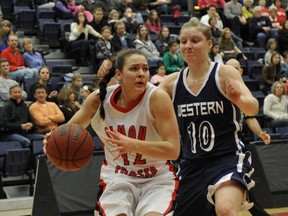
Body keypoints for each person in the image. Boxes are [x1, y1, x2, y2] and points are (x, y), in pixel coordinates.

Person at [44, 48, 180, 215]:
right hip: (118, 178)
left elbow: (173, 150)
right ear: (119, 74)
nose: (141, 73)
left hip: (157, 178)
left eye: (145, 68)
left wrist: (133, 145)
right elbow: (68, 133)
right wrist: (51, 141)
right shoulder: (98, 100)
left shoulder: (157, 98)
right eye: (134, 68)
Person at [159, 18, 259, 215]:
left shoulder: (224, 73)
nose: (188, 45)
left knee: (226, 209)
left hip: (227, 158)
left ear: (209, 44)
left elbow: (253, 108)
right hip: (191, 163)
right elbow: (144, 108)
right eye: (183, 41)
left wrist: (238, 98)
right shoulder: (170, 83)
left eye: (195, 40)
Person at [226, 58, 271, 145]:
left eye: (235, 69)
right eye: (229, 68)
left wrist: (260, 133)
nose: (232, 72)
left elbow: (250, 117)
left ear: (241, 71)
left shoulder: (245, 91)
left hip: (236, 138)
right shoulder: (217, 87)